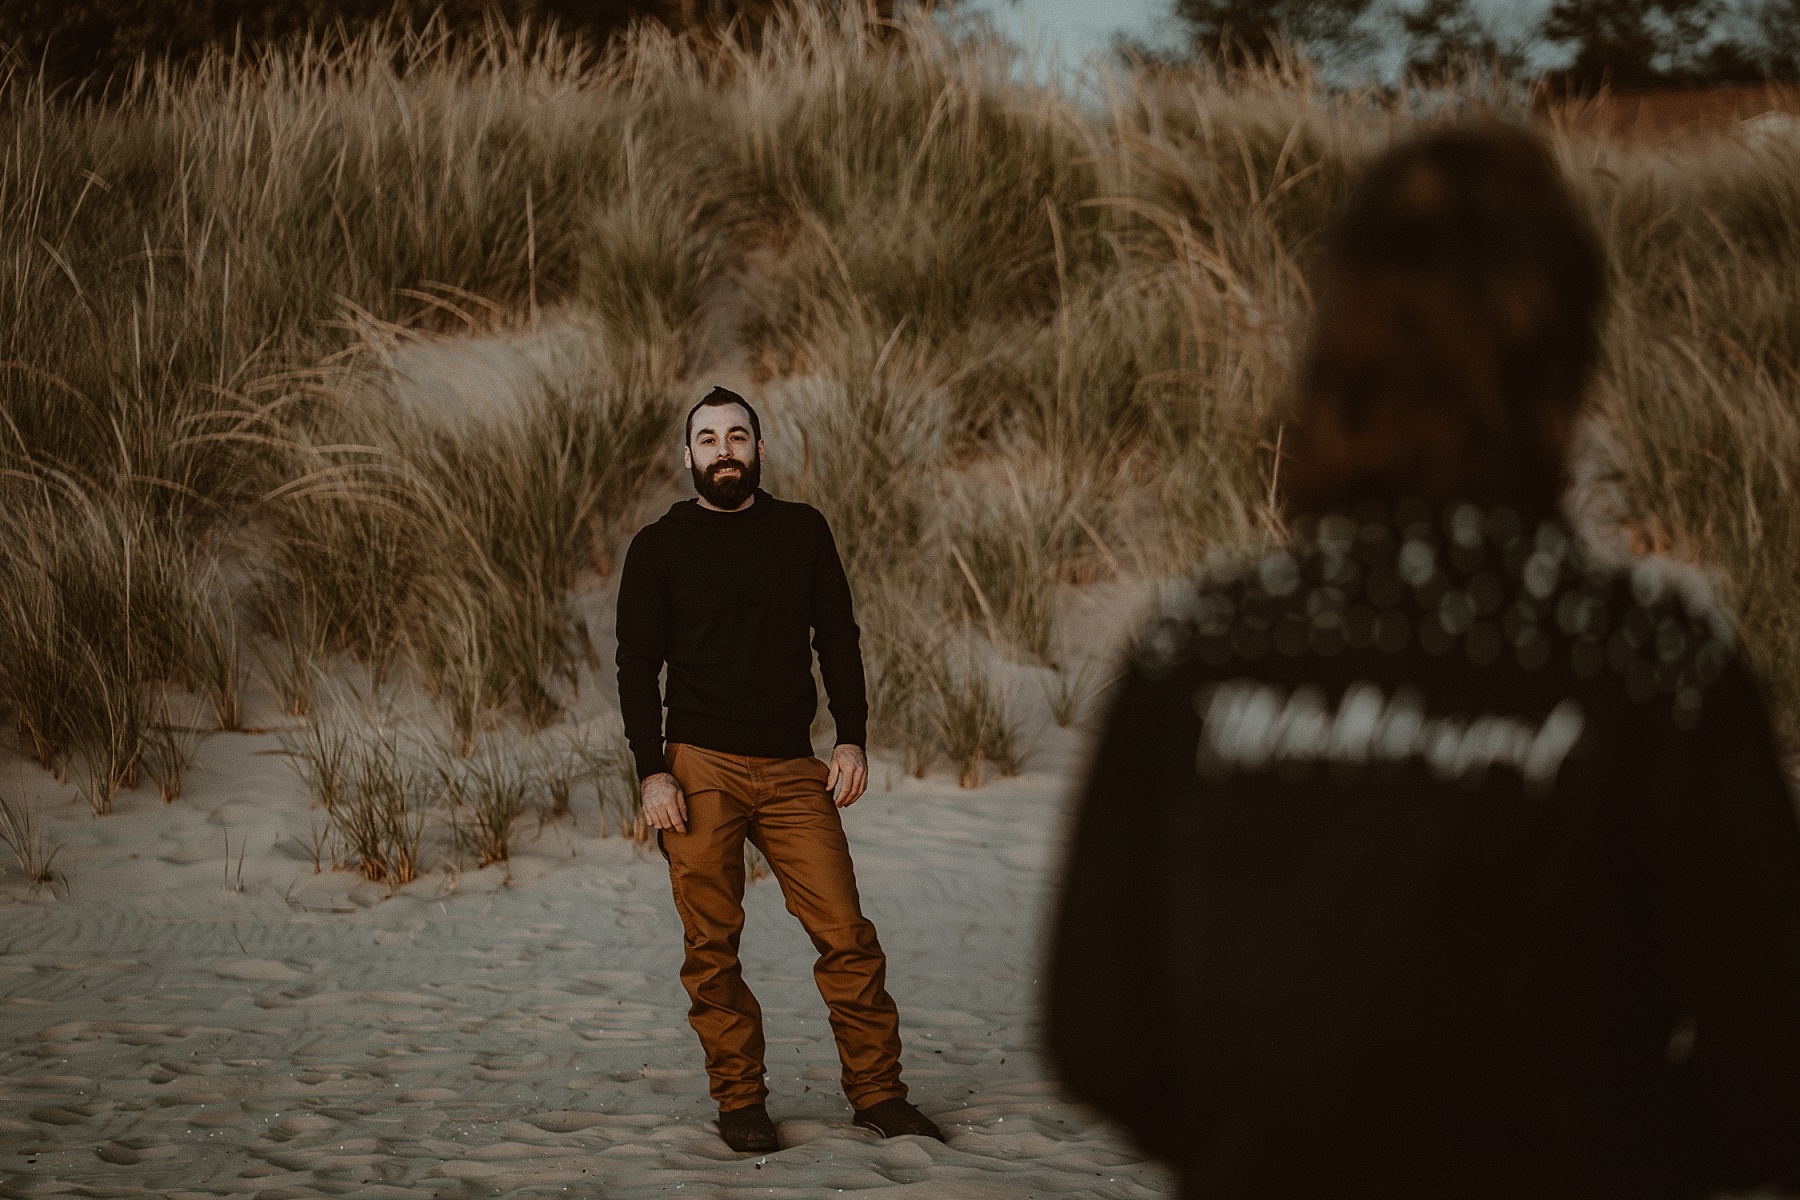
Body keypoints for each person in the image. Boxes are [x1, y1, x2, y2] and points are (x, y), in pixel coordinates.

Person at [1047, 124, 1800, 1199]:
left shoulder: (1201, 648)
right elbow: (1773, 1077)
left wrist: (1277, 1146)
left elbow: (1098, 1037)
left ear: (1337, 345)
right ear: (1567, 364)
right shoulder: (1653, 666)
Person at [614, 386, 943, 1153]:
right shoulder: (657, 547)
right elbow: (637, 668)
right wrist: (650, 772)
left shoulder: (803, 531)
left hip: (795, 767)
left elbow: (838, 637)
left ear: (760, 450)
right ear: (686, 456)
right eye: (707, 438)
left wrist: (852, 738)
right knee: (712, 946)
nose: (723, 449)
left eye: (737, 435)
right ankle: (740, 1103)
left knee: (847, 935)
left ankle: (878, 1096)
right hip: (699, 767)